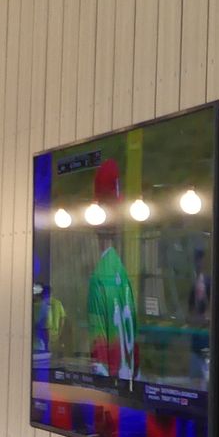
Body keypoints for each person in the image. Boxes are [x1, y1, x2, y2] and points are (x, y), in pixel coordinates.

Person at [85, 157, 138, 383]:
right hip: (131, 385)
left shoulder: (99, 277)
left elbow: (99, 361)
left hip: (114, 393)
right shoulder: (122, 272)